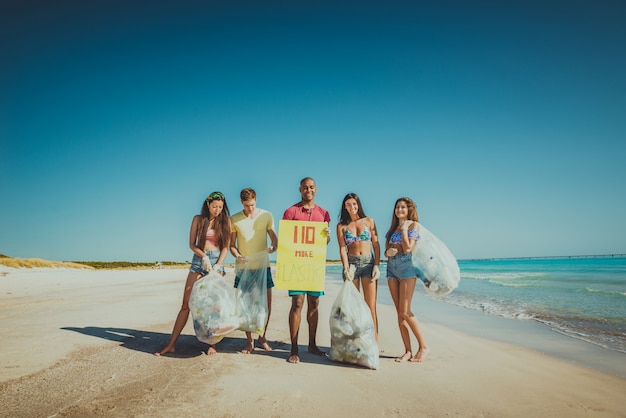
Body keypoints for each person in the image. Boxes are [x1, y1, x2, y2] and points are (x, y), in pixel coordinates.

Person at [155, 191, 231, 357]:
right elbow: (192, 244)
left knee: (213, 307)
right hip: (199, 261)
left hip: (217, 263)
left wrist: (218, 265)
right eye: (214, 207)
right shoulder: (198, 219)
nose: (217, 210)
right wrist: (203, 256)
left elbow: (226, 245)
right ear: (208, 205)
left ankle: (212, 344)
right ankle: (171, 344)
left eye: (220, 207)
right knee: (186, 304)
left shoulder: (226, 221)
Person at [282, 177, 331, 364]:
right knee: (297, 303)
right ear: (300, 190)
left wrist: (326, 236)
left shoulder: (323, 213)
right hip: (296, 264)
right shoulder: (291, 211)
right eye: (305, 188)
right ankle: (294, 348)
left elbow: (325, 242)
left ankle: (312, 344)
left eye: (311, 187)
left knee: (314, 303)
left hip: (314, 264)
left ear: (316, 189)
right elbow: (286, 238)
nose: (308, 190)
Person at [230, 187, 278, 354]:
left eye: (252, 204)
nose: (250, 208)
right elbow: (231, 246)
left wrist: (274, 246)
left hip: (263, 267)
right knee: (246, 306)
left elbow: (274, 238)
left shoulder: (266, 215)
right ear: (241, 203)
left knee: (266, 305)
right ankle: (249, 341)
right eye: (246, 205)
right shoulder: (234, 219)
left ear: (256, 200)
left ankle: (262, 337)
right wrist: (238, 256)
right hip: (245, 268)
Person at [384, 196, 429, 363]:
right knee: (399, 313)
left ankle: (423, 347)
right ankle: (408, 351)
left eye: (403, 207)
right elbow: (387, 250)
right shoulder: (392, 228)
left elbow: (408, 248)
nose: (399, 210)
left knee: (405, 310)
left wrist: (404, 229)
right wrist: (387, 253)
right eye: (397, 207)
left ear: (409, 209)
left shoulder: (413, 226)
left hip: (407, 268)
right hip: (391, 268)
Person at [336, 193, 381, 340]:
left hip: (368, 263)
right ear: (345, 207)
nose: (352, 207)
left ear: (358, 205)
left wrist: (377, 265)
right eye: (348, 204)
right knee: (353, 307)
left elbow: (375, 244)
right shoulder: (341, 226)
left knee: (370, 307)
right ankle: (356, 342)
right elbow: (342, 248)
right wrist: (345, 268)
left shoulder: (369, 221)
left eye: (354, 204)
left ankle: (373, 341)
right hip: (352, 265)